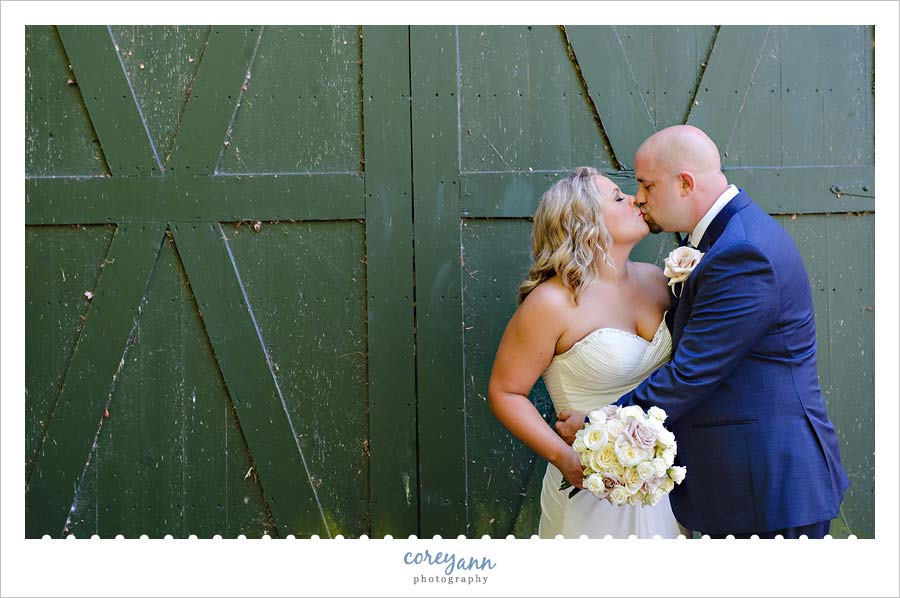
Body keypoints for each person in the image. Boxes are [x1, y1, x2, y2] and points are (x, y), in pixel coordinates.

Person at [556, 125, 850, 539]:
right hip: (744, 484)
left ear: (685, 183)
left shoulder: (741, 253)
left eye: (646, 185)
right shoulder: (725, 241)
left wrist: (599, 425)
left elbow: (690, 373)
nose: (639, 198)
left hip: (768, 488)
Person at [487, 166, 682, 538]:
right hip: (590, 483)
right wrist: (564, 458)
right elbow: (505, 393)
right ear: (585, 223)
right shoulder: (552, 303)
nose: (636, 199)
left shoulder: (658, 281)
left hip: (659, 485)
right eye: (618, 198)